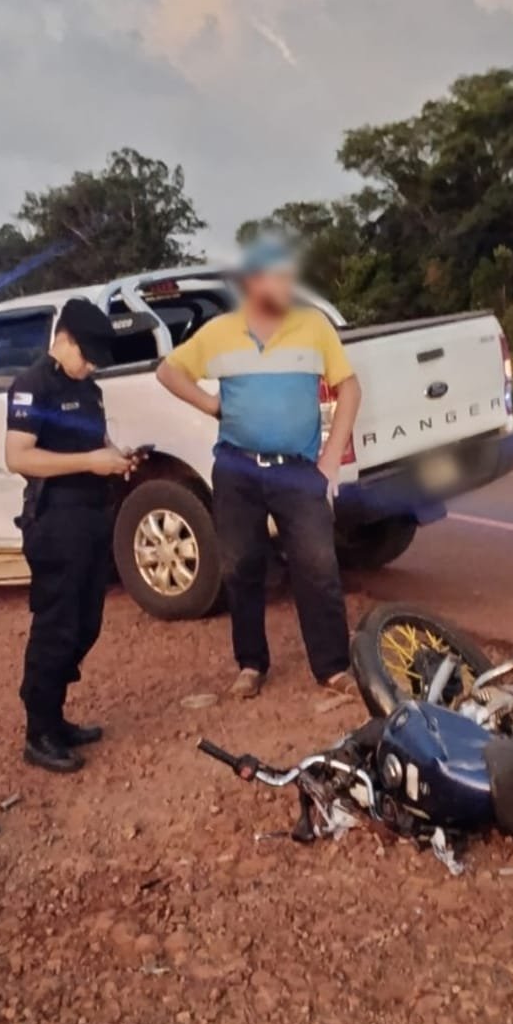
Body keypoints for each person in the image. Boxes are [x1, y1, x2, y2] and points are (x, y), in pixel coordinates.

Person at [156, 238, 361, 697]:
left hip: (298, 470)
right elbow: (168, 372)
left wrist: (330, 459)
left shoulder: (314, 327)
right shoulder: (220, 332)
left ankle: (331, 668)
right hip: (237, 468)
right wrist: (211, 405)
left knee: (318, 568)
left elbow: (349, 388)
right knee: (241, 566)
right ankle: (251, 664)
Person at [5, 297, 138, 772]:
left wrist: (115, 455)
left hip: (90, 516)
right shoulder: (32, 385)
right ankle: (39, 731)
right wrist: (88, 463)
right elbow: (18, 457)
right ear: (65, 340)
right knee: (56, 628)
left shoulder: (90, 389)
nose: (93, 364)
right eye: (90, 354)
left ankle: (56, 718)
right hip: (55, 522)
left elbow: (94, 441)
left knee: (86, 624)